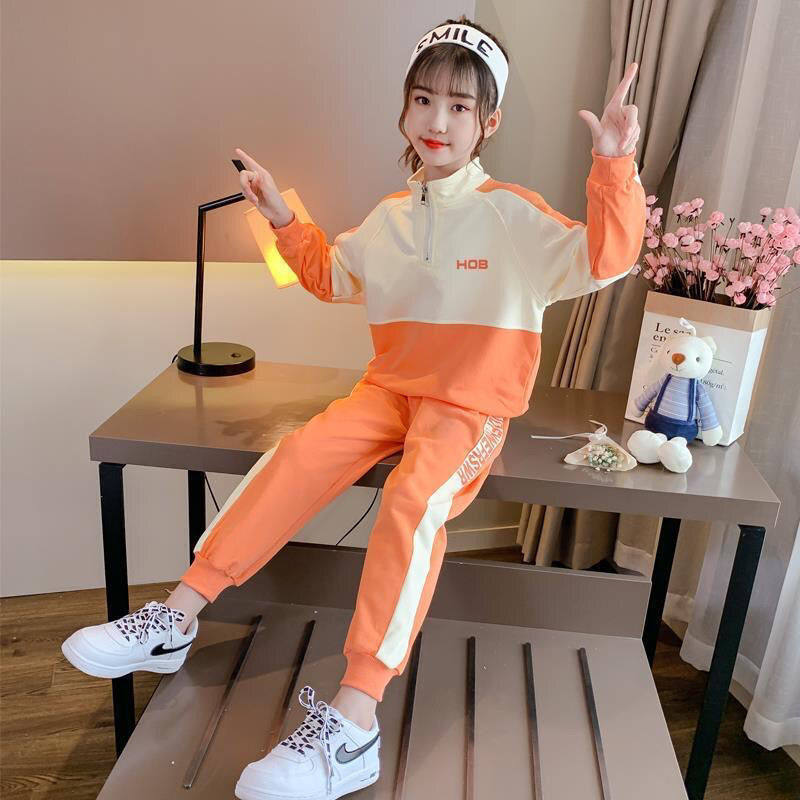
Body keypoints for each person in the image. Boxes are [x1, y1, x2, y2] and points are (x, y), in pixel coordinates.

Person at [61, 14, 646, 800]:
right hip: (387, 392)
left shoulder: (513, 215)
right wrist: (279, 213)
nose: (438, 120)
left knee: (412, 500)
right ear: (404, 110)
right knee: (299, 453)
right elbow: (331, 274)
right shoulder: (389, 218)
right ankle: (176, 617)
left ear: (489, 122)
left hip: (471, 407)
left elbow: (609, 257)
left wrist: (614, 164)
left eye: (460, 106)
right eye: (424, 99)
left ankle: (355, 720)